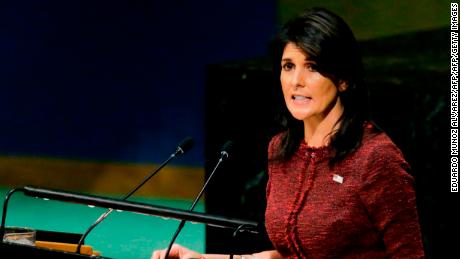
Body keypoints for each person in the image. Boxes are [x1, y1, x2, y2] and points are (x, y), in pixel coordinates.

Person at [152, 7, 425, 259]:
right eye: (288, 66)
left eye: (313, 67)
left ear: (343, 80)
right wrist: (199, 258)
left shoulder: (375, 158)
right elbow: (288, 255)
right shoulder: (282, 149)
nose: (296, 82)